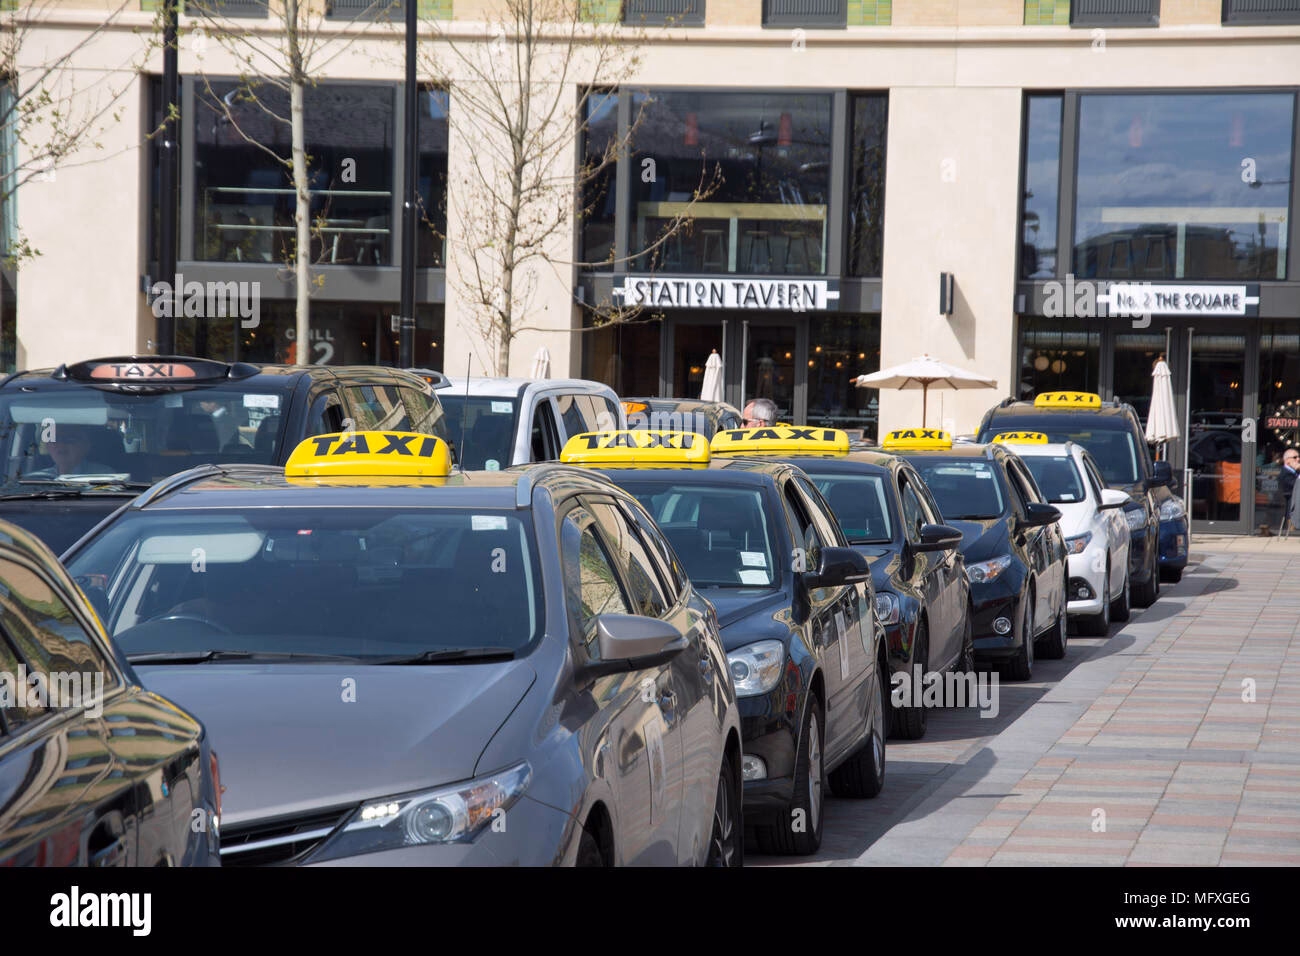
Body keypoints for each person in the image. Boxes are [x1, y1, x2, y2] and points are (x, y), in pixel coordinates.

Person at [31, 425, 115, 477]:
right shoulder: (38, 478)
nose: (61, 445)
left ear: (86, 445)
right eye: (55, 439)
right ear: (48, 446)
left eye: (69, 440)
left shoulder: (104, 475)